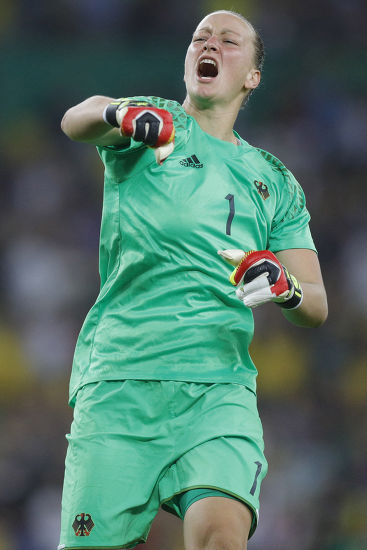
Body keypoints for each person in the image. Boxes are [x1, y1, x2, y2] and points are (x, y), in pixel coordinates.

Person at [58, 9, 328, 550]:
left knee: (221, 537)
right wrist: (118, 113)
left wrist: (285, 286)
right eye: (200, 37)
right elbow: (76, 119)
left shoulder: (273, 180)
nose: (210, 44)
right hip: (122, 379)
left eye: (229, 41)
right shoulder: (153, 121)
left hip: (217, 387)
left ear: (252, 76)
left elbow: (316, 303)